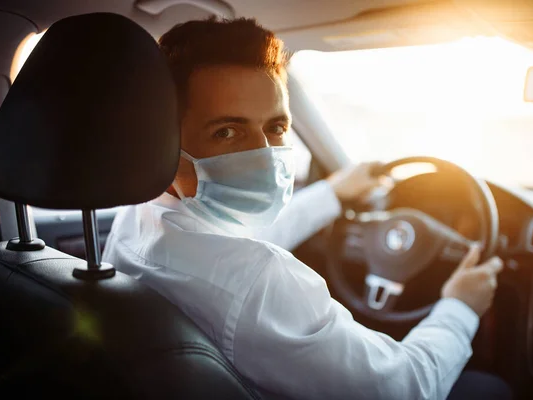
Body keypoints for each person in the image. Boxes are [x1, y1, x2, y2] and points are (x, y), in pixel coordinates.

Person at [102, 17, 510, 400]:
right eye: (227, 131)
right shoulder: (260, 283)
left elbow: (231, 252)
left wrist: (331, 194)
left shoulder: (137, 220)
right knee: (489, 388)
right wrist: (459, 306)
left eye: (277, 127)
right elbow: (405, 387)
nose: (263, 154)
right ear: (163, 145)